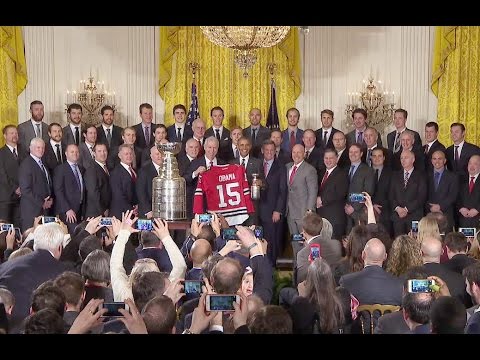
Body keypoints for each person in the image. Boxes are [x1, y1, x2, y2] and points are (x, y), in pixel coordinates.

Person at [288, 258, 345, 334]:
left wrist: (301, 298)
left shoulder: (300, 305)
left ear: (309, 281)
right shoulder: (340, 302)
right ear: (330, 279)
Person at [258, 140, 287, 264]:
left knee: (271, 241)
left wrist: (278, 210)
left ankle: (271, 268)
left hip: (272, 211)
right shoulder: (257, 164)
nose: (269, 152)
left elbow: (283, 191)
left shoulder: (281, 167)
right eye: (267, 150)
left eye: (272, 150)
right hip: (257, 210)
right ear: (262, 151)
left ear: (275, 151)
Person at [389, 150, 427, 236]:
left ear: (413, 159)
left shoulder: (421, 176)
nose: (403, 160)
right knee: (399, 243)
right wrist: (398, 208)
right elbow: (391, 195)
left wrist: (406, 209)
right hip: (398, 217)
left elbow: (421, 197)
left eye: (406, 158)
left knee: (415, 241)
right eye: (401, 158)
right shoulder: (395, 175)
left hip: (415, 217)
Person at [18, 138, 53, 231]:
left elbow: (47, 183)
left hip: (44, 210)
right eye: (38, 147)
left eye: (42, 148)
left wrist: (50, 199)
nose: (41, 150)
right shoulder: (26, 164)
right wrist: (42, 202)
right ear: (31, 148)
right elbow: (25, 189)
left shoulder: (43, 163)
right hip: (31, 211)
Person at [53, 144, 85, 234]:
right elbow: (58, 190)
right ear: (66, 153)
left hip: (79, 210)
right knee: (71, 236)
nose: (75, 153)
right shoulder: (60, 169)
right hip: (67, 211)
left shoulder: (81, 169)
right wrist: (67, 209)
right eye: (72, 152)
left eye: (77, 152)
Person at [316, 148, 349, 240]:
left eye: (331, 158)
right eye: (326, 158)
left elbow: (340, 193)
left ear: (337, 158)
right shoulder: (321, 173)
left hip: (335, 218)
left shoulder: (342, 174)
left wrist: (322, 200)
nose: (328, 160)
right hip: (321, 217)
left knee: (334, 247)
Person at [286, 144, 318, 234]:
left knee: (305, 240)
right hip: (290, 212)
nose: (296, 155)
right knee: (294, 240)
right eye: (294, 152)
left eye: (299, 152)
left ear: (304, 154)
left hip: (303, 212)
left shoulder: (310, 169)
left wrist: (310, 210)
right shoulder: (287, 167)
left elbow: (313, 191)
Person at [0, 125, 27, 227]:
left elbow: (27, 172)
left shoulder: (24, 152)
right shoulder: (1, 153)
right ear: (5, 136)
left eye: (16, 133)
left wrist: (23, 187)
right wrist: (15, 188)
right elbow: (2, 175)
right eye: (11, 133)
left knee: (20, 226)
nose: (14, 135)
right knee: (5, 228)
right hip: (6, 198)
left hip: (22, 197)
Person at [425, 150, 458, 231]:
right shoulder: (425, 176)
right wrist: (431, 207)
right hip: (429, 216)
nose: (437, 161)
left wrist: (440, 206)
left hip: (446, 215)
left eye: (440, 159)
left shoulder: (453, 177)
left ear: (445, 160)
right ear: (431, 161)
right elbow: (422, 194)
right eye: (434, 159)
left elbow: (453, 196)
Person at [109, 144, 138, 219]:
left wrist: (136, 206)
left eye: (130, 153)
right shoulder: (116, 172)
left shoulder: (133, 171)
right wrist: (131, 210)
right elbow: (118, 195)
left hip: (131, 213)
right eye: (126, 154)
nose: (129, 156)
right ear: (119, 155)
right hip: (120, 214)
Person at [84, 143, 111, 217]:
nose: (102, 153)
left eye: (104, 151)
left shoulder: (108, 167)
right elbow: (93, 192)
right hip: (96, 212)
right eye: (99, 151)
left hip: (107, 210)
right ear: (94, 153)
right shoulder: (91, 170)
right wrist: (103, 209)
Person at [136, 146, 163, 219]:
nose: (160, 156)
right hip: (149, 212)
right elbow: (141, 192)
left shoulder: (167, 170)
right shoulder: (144, 171)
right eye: (157, 154)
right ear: (151, 156)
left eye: (161, 153)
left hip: (163, 212)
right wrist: (148, 211)